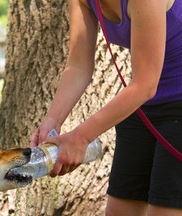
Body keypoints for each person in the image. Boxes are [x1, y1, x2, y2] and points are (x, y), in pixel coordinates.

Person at [30, 0, 182, 215]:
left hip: (164, 99)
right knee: (119, 209)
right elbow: (78, 66)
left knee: (164, 210)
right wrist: (52, 121)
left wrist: (80, 138)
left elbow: (145, 85)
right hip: (142, 105)